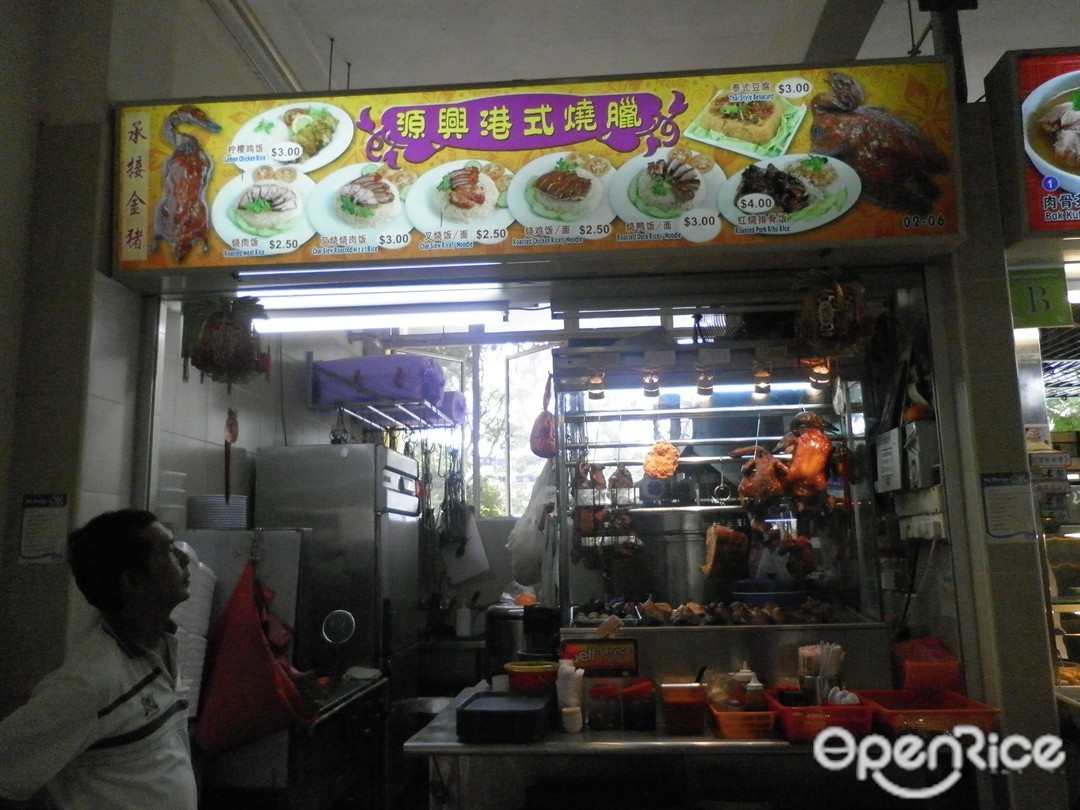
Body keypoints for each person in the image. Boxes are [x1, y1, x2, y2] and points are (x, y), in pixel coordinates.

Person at [0, 510, 196, 809]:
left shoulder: (163, 646)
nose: (184, 560)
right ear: (132, 581)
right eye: (169, 551)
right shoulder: (89, 682)